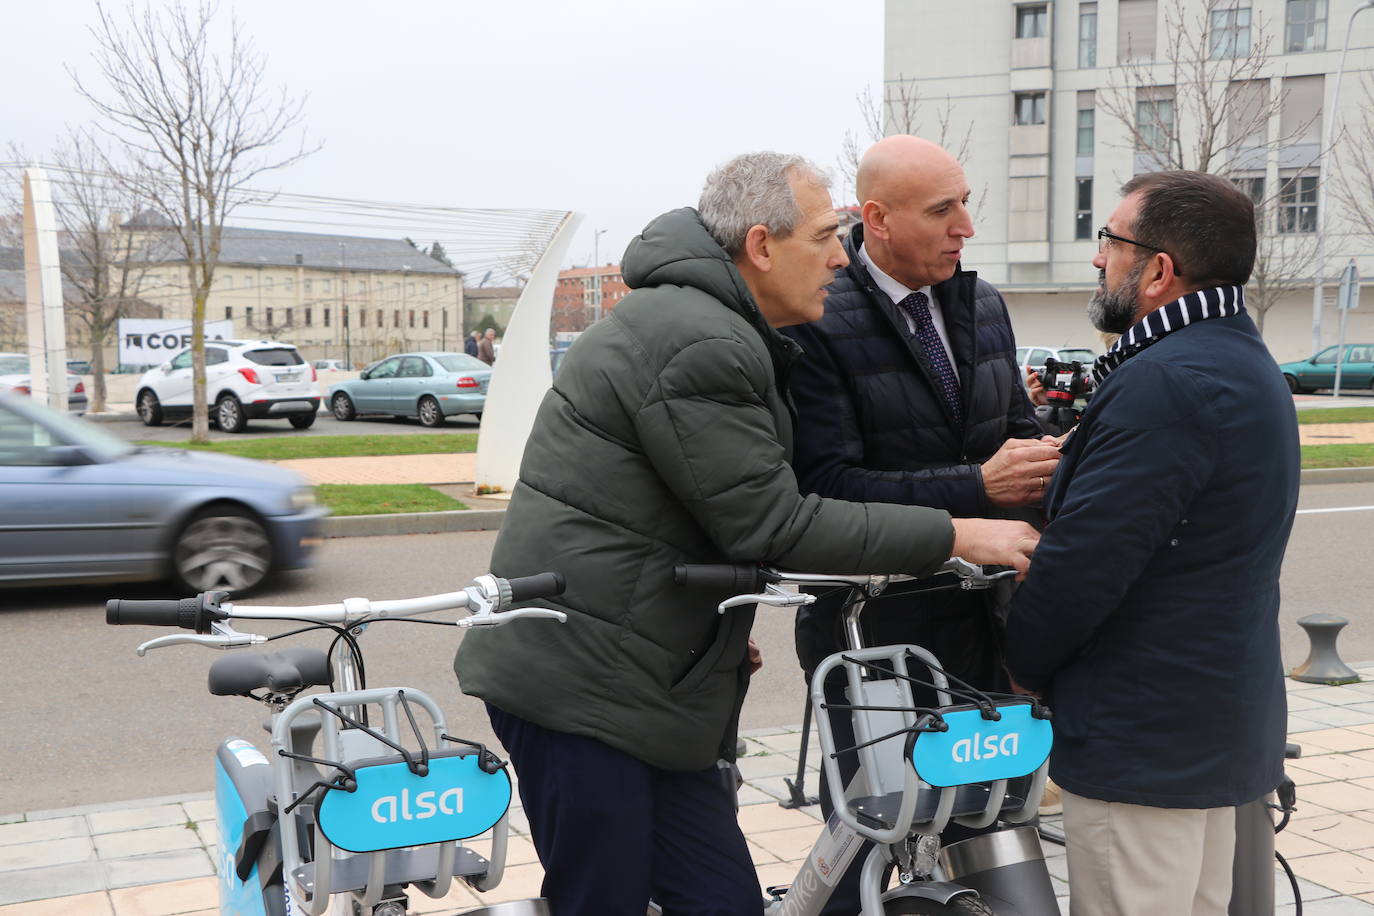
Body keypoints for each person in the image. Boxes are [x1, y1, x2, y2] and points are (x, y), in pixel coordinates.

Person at [454, 152, 1042, 916]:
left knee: (722, 899)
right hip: (584, 687)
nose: (841, 257)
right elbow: (773, 522)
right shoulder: (700, 341)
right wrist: (957, 533)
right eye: (825, 236)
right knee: (606, 899)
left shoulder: (712, 324)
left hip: (645, 676)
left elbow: (699, 513)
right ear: (761, 246)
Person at [1004, 170, 1300, 915]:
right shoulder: (1242, 360)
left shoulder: (1165, 381)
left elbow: (1083, 569)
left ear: (1160, 270)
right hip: (1210, 729)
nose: (1098, 257)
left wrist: (1020, 666)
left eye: (1110, 241)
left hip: (1142, 740)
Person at [779, 135, 1060, 912]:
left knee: (991, 825)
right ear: (876, 219)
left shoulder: (983, 303)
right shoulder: (815, 315)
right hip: (874, 634)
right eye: (942, 210)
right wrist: (976, 485)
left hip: (985, 626)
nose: (965, 225)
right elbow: (823, 486)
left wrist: (1054, 460)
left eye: (965, 202)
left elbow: (1014, 436)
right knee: (870, 832)